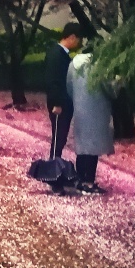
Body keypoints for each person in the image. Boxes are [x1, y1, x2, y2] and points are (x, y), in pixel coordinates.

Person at [66, 48, 117, 195]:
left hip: (80, 108)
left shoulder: (73, 64)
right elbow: (109, 88)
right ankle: (89, 182)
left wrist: (76, 99)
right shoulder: (100, 65)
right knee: (93, 147)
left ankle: (81, 179)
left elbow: (69, 86)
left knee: (82, 147)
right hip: (97, 108)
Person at [45, 23, 84, 193]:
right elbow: (54, 82)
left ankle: (56, 176)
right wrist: (57, 103)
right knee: (57, 141)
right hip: (59, 104)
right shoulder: (57, 55)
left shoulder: (59, 54)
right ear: (72, 37)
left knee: (59, 139)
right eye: (78, 39)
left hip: (62, 103)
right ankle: (54, 179)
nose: (78, 43)